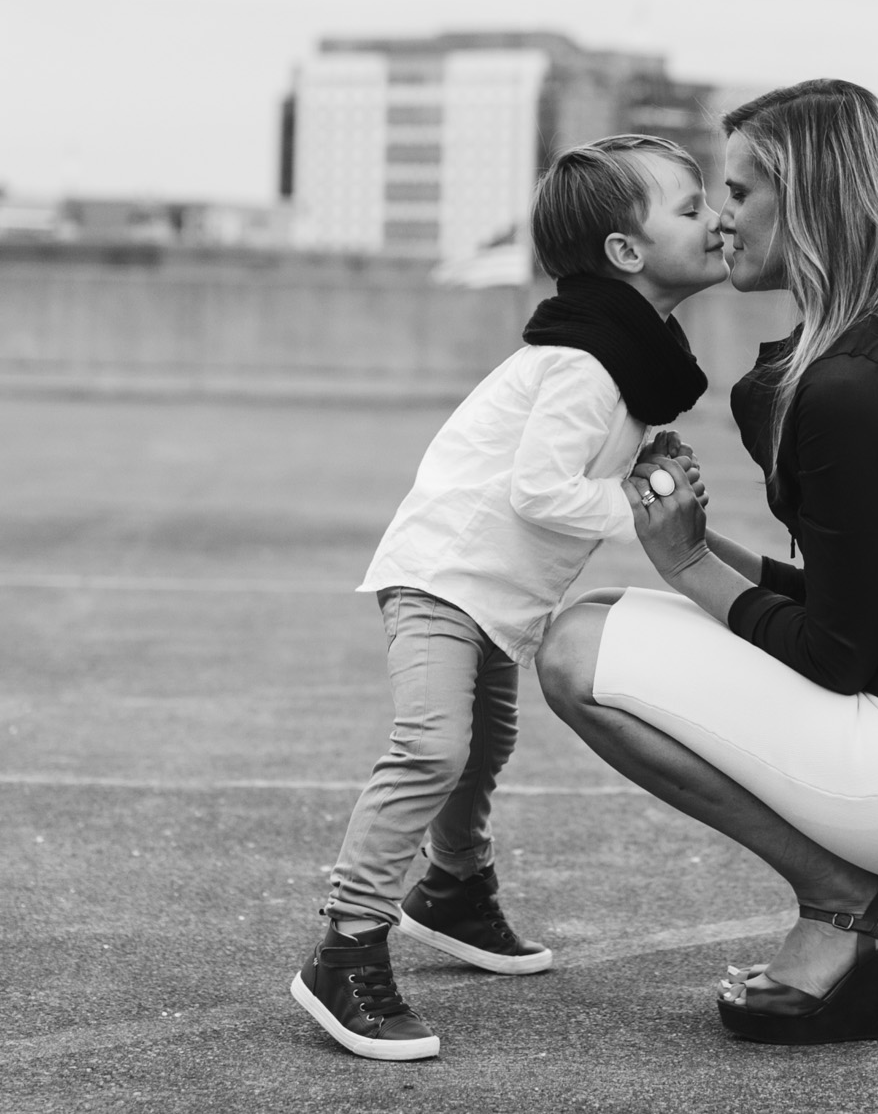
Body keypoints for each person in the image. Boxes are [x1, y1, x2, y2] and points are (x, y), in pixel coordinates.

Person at [536, 79, 878, 1046]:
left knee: (576, 652)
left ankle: (852, 905)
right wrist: (691, 551)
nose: (723, 222)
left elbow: (837, 653)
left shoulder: (849, 385)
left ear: (809, 202)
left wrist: (693, 568)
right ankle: (854, 905)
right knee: (609, 614)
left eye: (737, 193)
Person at [292, 134, 724, 1062]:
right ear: (626, 253)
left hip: (492, 594)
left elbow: (573, 468)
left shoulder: (627, 354)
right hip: (444, 577)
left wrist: (640, 468)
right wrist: (641, 509)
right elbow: (538, 489)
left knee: (485, 745)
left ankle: (452, 891)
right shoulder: (587, 363)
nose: (718, 218)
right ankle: (346, 944)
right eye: (692, 208)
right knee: (433, 746)